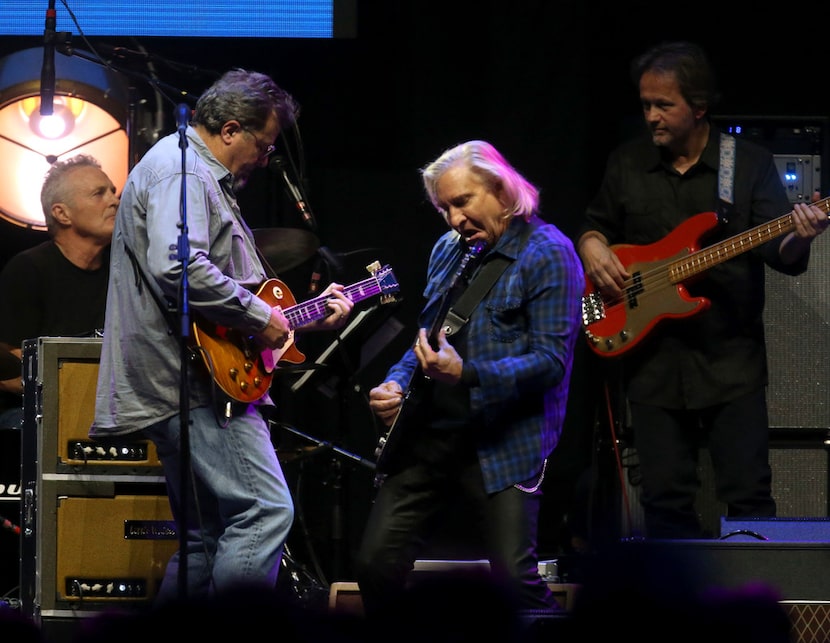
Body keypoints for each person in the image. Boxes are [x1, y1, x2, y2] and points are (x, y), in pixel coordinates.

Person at [89, 68, 355, 603]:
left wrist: (295, 318)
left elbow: (224, 295)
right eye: (265, 144)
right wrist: (262, 318)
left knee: (204, 542)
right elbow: (181, 267)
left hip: (178, 381)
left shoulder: (188, 170)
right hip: (194, 386)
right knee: (264, 510)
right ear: (231, 130)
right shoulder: (184, 172)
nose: (266, 157)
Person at [576, 41, 829, 539]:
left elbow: (780, 256)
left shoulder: (748, 164)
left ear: (699, 107)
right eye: (645, 104)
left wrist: (800, 238)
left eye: (663, 105)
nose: (651, 116)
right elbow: (593, 225)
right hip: (651, 365)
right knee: (665, 503)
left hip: (730, 362)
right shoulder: (627, 163)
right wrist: (590, 247)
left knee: (749, 500)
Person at [354, 140, 584, 618]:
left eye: (462, 202)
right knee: (375, 564)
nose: (455, 220)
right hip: (433, 434)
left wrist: (468, 373)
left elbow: (550, 363)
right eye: (445, 208)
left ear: (502, 190)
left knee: (515, 581)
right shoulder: (447, 250)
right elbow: (426, 338)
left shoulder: (550, 253)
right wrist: (396, 382)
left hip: (503, 444)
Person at [0, 154, 117, 429]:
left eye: (112, 191)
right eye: (99, 194)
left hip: (110, 410)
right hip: (36, 412)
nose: (114, 200)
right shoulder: (28, 269)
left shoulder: (125, 270)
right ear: (61, 213)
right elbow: (9, 366)